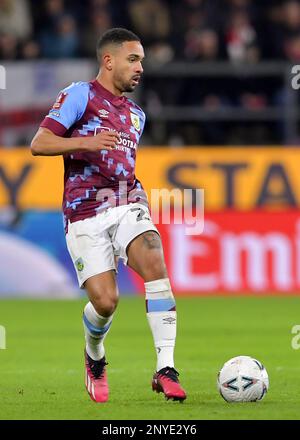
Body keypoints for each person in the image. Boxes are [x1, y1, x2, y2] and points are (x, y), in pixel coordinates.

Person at [31, 27, 186, 403]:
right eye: (133, 59)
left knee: (152, 252)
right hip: (83, 213)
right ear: (108, 60)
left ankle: (165, 368)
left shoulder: (136, 115)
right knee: (105, 302)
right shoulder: (78, 95)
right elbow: (39, 143)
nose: (140, 68)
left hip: (125, 201)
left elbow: (123, 165)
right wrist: (85, 141)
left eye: (142, 61)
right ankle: (95, 357)